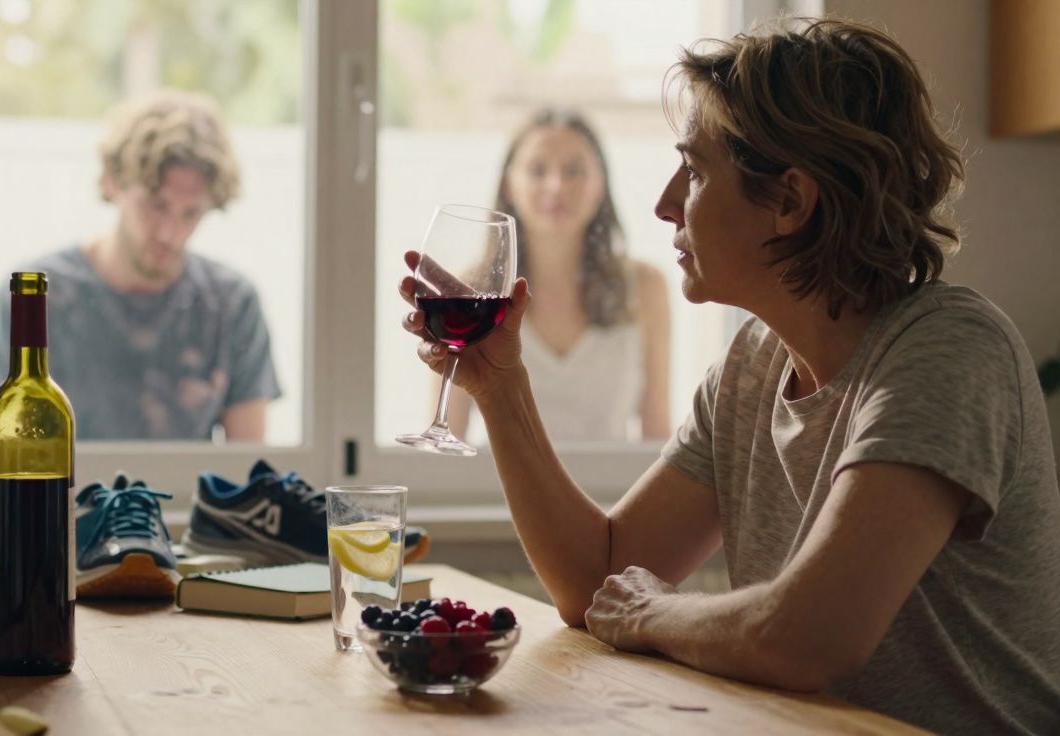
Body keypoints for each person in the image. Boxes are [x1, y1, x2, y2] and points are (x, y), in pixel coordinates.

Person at [399, 18, 1059, 734]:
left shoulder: (950, 350)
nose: (664, 203)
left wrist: (656, 613)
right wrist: (502, 390)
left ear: (790, 202)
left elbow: (810, 638)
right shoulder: (753, 364)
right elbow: (601, 579)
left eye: (696, 170)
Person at [0, 90, 281, 441]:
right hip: (62, 497)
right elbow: (6, 452)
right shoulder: (37, 297)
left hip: (184, 497)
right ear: (112, 183)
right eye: (155, 205)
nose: (168, 232)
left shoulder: (231, 302)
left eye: (190, 213)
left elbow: (249, 466)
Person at [446, 108, 672, 444]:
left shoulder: (644, 288)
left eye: (574, 171)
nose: (556, 186)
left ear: (600, 186)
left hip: (612, 497)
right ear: (510, 185)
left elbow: (657, 438)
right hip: (500, 495)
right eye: (538, 170)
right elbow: (447, 436)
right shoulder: (473, 290)